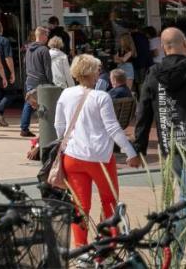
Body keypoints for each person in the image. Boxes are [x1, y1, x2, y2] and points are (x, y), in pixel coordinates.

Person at [55, 54, 142, 250]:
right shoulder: (101, 97)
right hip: (100, 158)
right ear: (93, 73)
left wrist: (66, 142)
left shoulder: (66, 94)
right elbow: (112, 128)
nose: (99, 74)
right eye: (97, 70)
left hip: (73, 156)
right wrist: (130, 152)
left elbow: (59, 125)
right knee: (109, 201)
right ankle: (109, 244)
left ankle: (81, 248)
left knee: (80, 205)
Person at [134, 27, 186, 251]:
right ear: (184, 44)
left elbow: (143, 112)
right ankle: (173, 252)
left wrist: (140, 148)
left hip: (169, 145)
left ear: (163, 48)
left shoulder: (153, 74)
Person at [19, 27, 52, 137]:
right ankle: (44, 128)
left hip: (30, 79)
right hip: (41, 81)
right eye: (46, 35)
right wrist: (50, 82)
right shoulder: (44, 50)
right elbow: (47, 68)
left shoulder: (28, 49)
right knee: (44, 105)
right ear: (42, 35)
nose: (47, 38)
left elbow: (25, 64)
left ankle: (24, 128)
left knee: (29, 103)